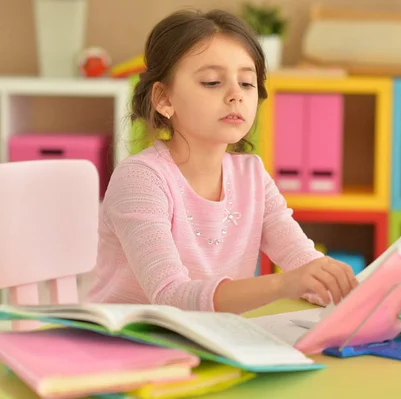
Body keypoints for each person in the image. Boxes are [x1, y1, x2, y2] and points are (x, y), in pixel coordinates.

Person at [86, 8, 358, 314]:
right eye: (213, 82)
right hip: (131, 347)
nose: (235, 95)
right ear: (164, 99)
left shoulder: (251, 176)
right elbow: (171, 296)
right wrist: (283, 284)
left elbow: (304, 261)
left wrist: (343, 288)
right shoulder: (141, 179)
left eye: (246, 83)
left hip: (213, 344)